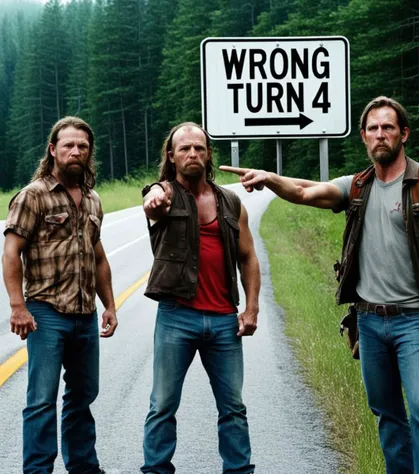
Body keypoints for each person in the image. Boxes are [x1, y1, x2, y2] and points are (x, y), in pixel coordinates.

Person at [220, 96, 419, 474]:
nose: (380, 135)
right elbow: (305, 193)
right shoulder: (357, 186)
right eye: (373, 129)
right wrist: (270, 178)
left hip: (415, 323)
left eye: (388, 127)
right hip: (369, 323)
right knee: (387, 414)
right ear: (364, 138)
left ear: (404, 134)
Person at [140, 122, 260, 474]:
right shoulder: (163, 195)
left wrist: (251, 308)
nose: (192, 154)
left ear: (208, 154)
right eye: (184, 149)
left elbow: (248, 257)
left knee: (233, 407)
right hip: (177, 316)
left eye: (199, 148)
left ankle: (238, 470)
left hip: (225, 319)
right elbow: (153, 204)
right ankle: (156, 469)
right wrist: (154, 198)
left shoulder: (231, 201)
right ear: (172, 156)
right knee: (162, 404)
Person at [2, 116, 118, 474]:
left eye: (82, 146)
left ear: (89, 152)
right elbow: (10, 252)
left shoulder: (94, 200)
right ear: (53, 150)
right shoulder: (33, 196)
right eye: (68, 145)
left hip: (85, 316)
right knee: (41, 401)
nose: (75, 151)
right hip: (46, 314)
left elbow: (98, 257)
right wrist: (18, 307)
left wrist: (110, 305)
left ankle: (83, 466)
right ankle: (38, 470)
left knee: (82, 398)